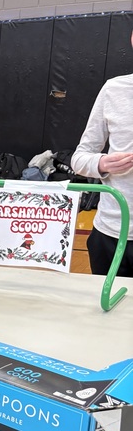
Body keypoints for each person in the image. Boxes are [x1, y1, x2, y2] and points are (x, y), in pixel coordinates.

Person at [71, 31, 133, 277]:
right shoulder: (114, 89)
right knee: (108, 313)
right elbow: (80, 158)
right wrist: (103, 163)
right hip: (109, 235)